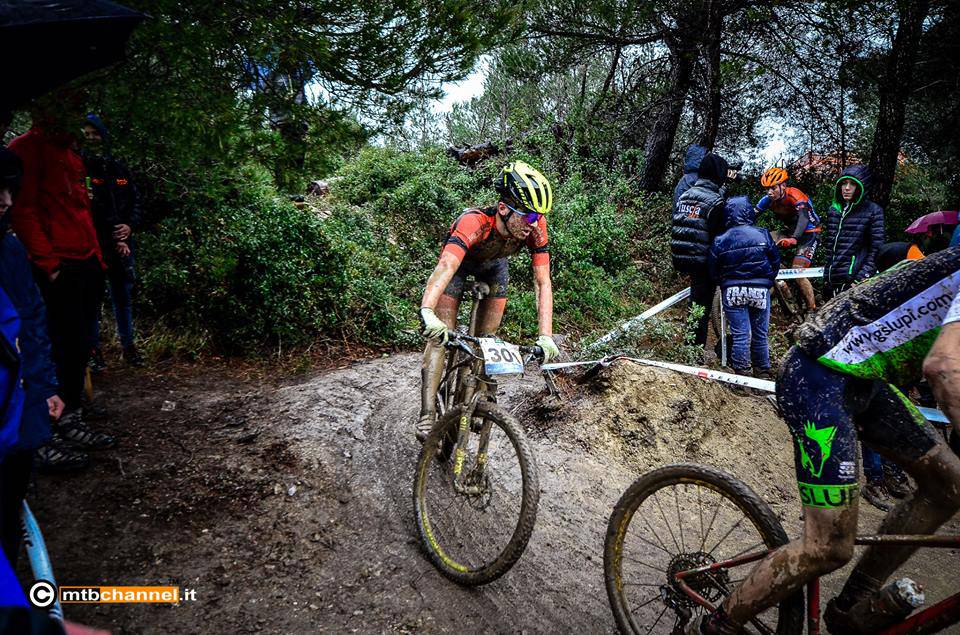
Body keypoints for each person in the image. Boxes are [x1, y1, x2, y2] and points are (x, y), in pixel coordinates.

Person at [689, 246, 960, 635]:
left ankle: (852, 605)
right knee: (829, 544)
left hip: (865, 378)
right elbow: (945, 367)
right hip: (819, 375)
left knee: (950, 485)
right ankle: (718, 624)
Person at [417, 161, 559, 441]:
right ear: (504, 209)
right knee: (439, 338)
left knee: (486, 340)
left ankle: (478, 396)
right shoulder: (474, 222)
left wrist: (546, 336)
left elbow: (543, 282)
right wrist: (427, 311)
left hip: (494, 268)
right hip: (459, 268)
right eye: (528, 216)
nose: (534, 224)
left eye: (538, 217)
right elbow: (446, 266)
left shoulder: (536, 226)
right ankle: (428, 412)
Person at [7, 96, 115, 451]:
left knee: (79, 345)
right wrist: (49, 265)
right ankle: (47, 428)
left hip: (86, 263)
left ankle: (70, 416)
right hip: (57, 267)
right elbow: (22, 212)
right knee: (51, 345)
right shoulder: (26, 149)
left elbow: (81, 212)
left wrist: (98, 261)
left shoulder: (72, 156)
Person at [80, 114, 143, 368]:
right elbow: (87, 209)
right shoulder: (81, 167)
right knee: (93, 299)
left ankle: (128, 347)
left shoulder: (118, 168)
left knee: (123, 297)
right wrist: (111, 236)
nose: (93, 138)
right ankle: (94, 352)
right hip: (97, 244)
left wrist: (129, 227)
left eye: (96, 134)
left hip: (124, 243)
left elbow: (135, 200)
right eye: (87, 134)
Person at [707, 196, 780, 379]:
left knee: (740, 334)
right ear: (748, 211)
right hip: (760, 291)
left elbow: (712, 268)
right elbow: (775, 262)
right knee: (760, 333)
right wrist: (767, 280)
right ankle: (762, 371)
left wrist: (723, 282)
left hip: (733, 291)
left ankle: (742, 373)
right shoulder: (763, 234)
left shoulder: (720, 239)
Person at [671, 152, 730, 354]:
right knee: (701, 307)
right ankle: (694, 351)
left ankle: (692, 346)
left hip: (683, 255)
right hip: (703, 259)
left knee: (696, 301)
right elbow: (719, 237)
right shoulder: (715, 201)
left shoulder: (686, 193)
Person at [755, 167, 820, 312]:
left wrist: (795, 238)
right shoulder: (767, 200)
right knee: (761, 243)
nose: (769, 192)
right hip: (789, 231)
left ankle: (812, 310)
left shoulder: (795, 195)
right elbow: (751, 216)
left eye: (773, 188)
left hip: (809, 233)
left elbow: (803, 218)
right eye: (767, 189)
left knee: (798, 272)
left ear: (783, 185)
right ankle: (782, 280)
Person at [822, 164, 884, 299]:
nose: (847, 188)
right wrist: (826, 278)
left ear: (862, 187)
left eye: (852, 184)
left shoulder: (873, 211)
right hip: (832, 281)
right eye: (844, 183)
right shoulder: (834, 210)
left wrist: (861, 278)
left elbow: (877, 249)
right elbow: (830, 249)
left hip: (854, 283)